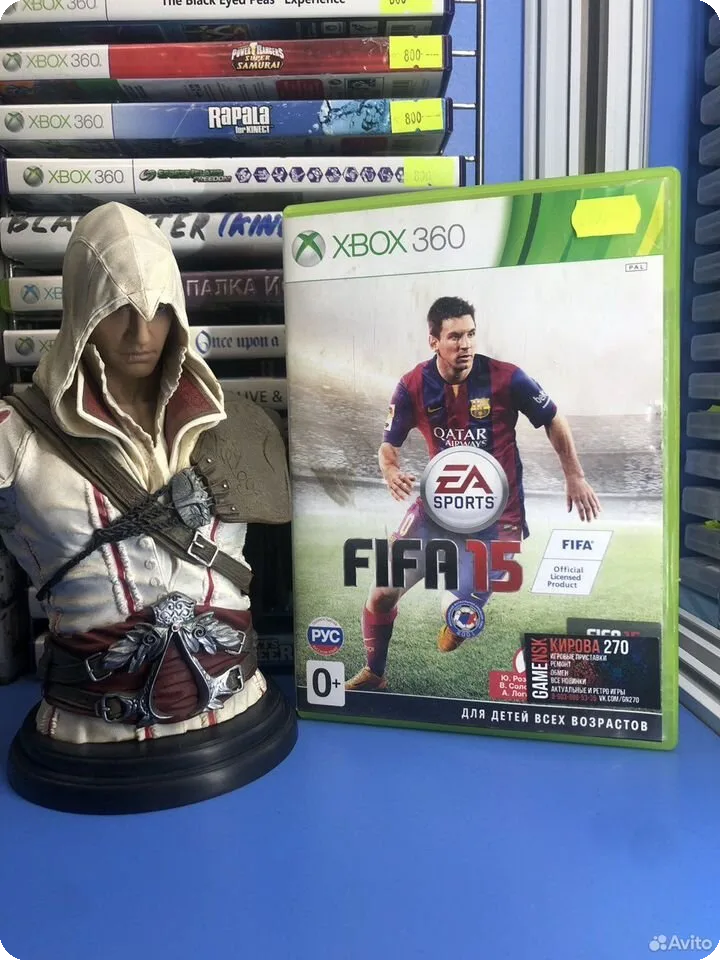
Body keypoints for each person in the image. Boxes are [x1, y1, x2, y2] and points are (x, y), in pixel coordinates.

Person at [0, 202, 290, 754]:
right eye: (118, 310)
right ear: (83, 311)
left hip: (239, 702)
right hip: (90, 729)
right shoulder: (14, 438)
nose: (142, 332)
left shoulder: (242, 426)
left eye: (158, 310)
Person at [347, 296, 601, 691]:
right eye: (454, 337)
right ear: (434, 341)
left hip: (499, 521)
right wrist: (391, 470)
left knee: (458, 620)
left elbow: (553, 418)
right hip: (437, 511)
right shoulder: (412, 385)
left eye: (470, 335)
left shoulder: (507, 378)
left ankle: (457, 609)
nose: (465, 344)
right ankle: (374, 675)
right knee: (381, 593)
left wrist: (575, 475)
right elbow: (387, 446)